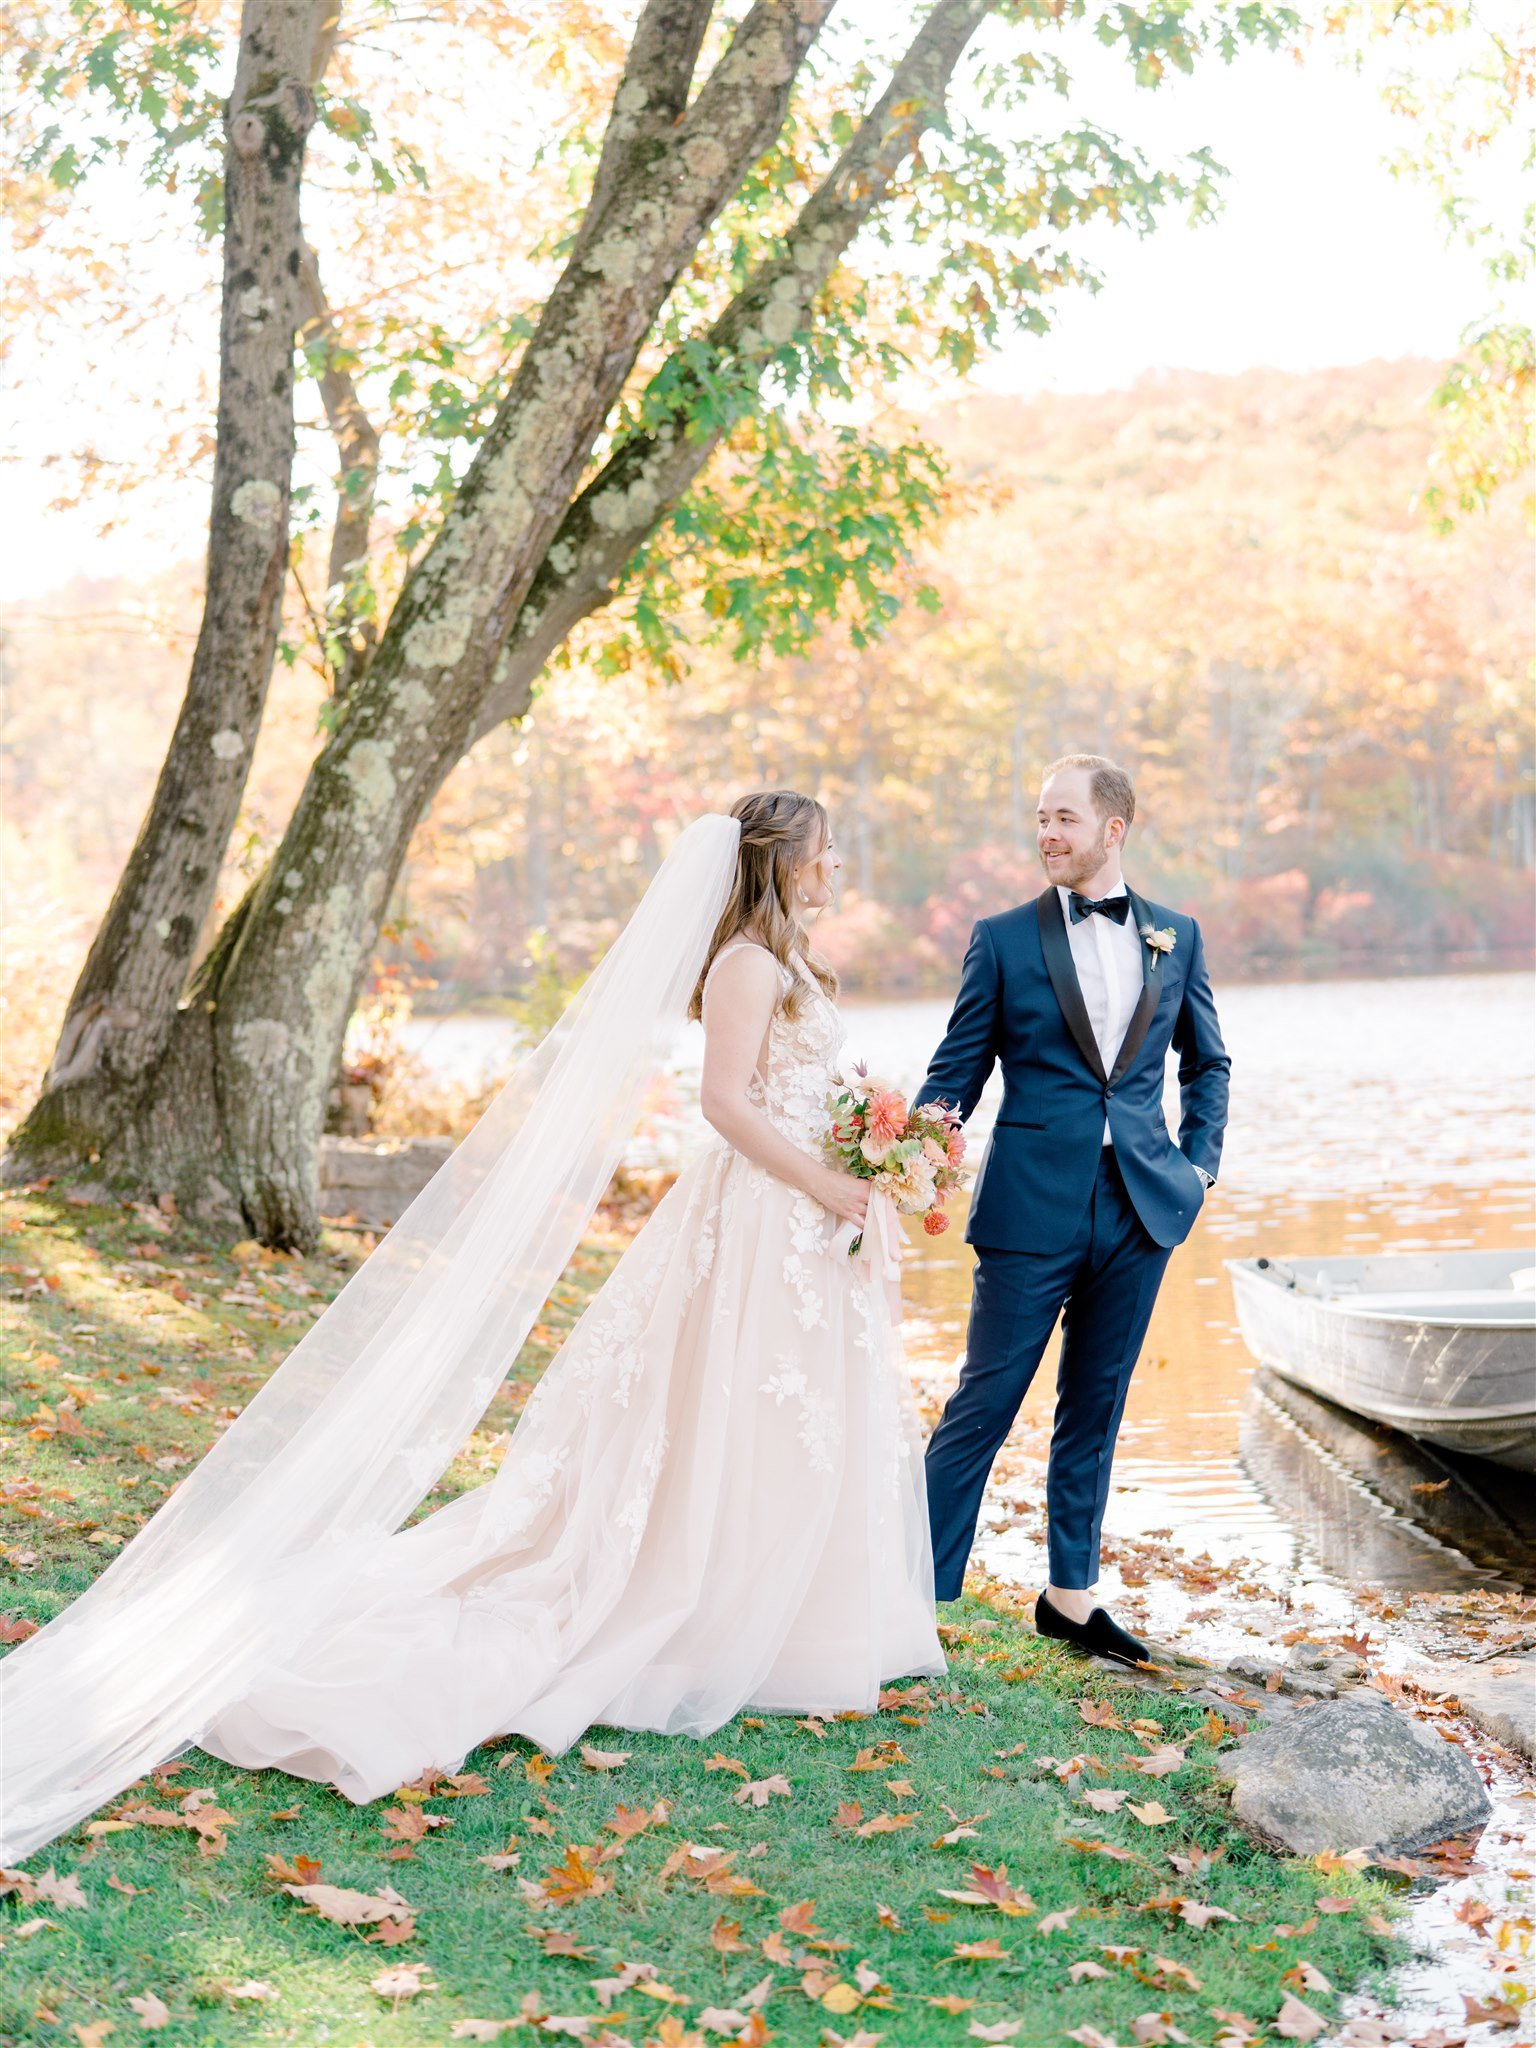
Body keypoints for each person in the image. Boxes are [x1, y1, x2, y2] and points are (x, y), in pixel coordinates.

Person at [0, 794, 942, 1857]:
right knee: (739, 1406)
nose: (834, 869)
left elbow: (800, 1084)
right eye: (822, 854)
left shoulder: (794, 961)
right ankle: (706, 1606)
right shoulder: (744, 965)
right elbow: (726, 1102)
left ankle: (797, 1608)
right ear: (781, 863)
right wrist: (828, 1178)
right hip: (767, 1213)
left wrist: (872, 1148)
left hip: (807, 1224)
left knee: (791, 1413)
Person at [914, 755, 1230, 1663]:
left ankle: (1070, 1598)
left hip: (1140, 1207)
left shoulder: (1178, 934)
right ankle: (918, 1596)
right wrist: (914, 1152)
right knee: (986, 1401)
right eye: (1040, 818)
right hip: (1028, 1206)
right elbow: (957, 1067)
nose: (1046, 833)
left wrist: (1198, 1166)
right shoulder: (1004, 937)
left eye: (1062, 818)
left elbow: (1206, 1062)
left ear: (1113, 829)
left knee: (1096, 1405)